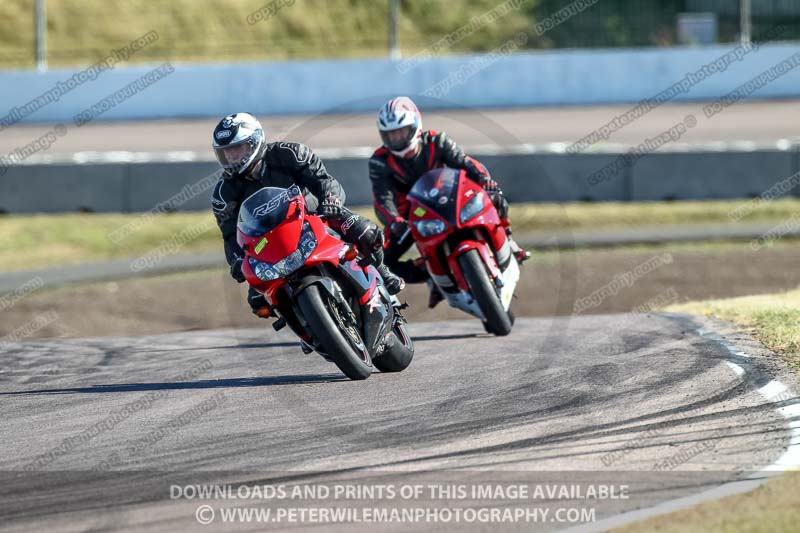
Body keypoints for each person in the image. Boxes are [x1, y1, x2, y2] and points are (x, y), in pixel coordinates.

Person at [210, 112, 404, 318]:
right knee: (258, 300)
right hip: (269, 243)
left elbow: (323, 180)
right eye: (226, 153)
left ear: (255, 142)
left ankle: (381, 270)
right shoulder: (223, 193)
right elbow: (231, 234)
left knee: (363, 230)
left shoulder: (290, 154)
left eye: (237, 149)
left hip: (313, 217)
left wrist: (331, 200)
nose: (232, 157)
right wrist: (237, 261)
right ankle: (304, 321)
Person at [368, 96, 529, 307]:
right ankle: (429, 273)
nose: (397, 138)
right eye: (390, 134)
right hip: (411, 216)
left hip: (451, 199)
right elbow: (382, 200)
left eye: (402, 131)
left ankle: (508, 240)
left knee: (494, 197)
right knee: (380, 261)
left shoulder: (437, 141)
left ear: (416, 125)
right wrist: (395, 221)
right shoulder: (379, 161)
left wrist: (486, 182)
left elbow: (467, 164)